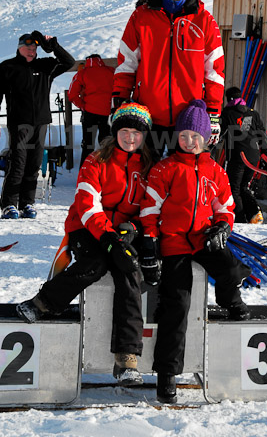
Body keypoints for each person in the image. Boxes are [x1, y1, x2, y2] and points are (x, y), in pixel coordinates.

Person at [16, 101, 158, 385]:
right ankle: (43, 302)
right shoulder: (97, 160)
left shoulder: (148, 166)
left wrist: (132, 228)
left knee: (129, 271)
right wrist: (106, 236)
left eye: (137, 133)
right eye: (125, 131)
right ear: (115, 131)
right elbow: (86, 203)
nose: (131, 138)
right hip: (88, 228)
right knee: (95, 264)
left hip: (122, 233)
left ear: (144, 136)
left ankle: (127, 357)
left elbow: (152, 206)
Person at [140, 99, 251, 404]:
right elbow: (149, 210)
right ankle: (167, 374)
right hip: (174, 241)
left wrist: (223, 227)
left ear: (206, 139)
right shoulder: (165, 169)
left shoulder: (214, 170)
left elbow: (225, 207)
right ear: (177, 136)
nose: (190, 142)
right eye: (184, 136)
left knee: (230, 268)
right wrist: (150, 242)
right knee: (178, 304)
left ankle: (231, 299)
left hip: (203, 238)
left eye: (196, 137)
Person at [112, 0, 225, 158]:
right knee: (145, 176)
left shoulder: (204, 20)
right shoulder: (141, 17)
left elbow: (214, 71)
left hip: (188, 117)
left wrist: (213, 112)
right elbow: (127, 63)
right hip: (147, 115)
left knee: (182, 181)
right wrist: (120, 100)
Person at [0, 31, 75, 219]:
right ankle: (9, 204)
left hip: (41, 123)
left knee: (34, 164)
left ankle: (27, 203)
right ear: (19, 48)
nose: (31, 52)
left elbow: (69, 62)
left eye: (34, 48)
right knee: (18, 163)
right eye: (28, 48)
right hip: (19, 123)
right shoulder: (8, 67)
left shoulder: (45, 66)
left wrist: (53, 45)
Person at [220, 86, 267, 224]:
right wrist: (265, 152)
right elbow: (262, 134)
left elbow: (220, 133)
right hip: (253, 157)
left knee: (233, 188)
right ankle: (254, 213)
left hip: (237, 156)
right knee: (244, 186)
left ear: (228, 99)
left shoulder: (228, 113)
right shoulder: (252, 113)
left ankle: (240, 219)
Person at [68, 54, 115, 167]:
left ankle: (85, 171)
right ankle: (107, 171)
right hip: (107, 113)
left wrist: (83, 106)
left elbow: (72, 94)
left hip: (90, 113)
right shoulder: (111, 71)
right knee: (107, 144)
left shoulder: (82, 73)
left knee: (88, 144)